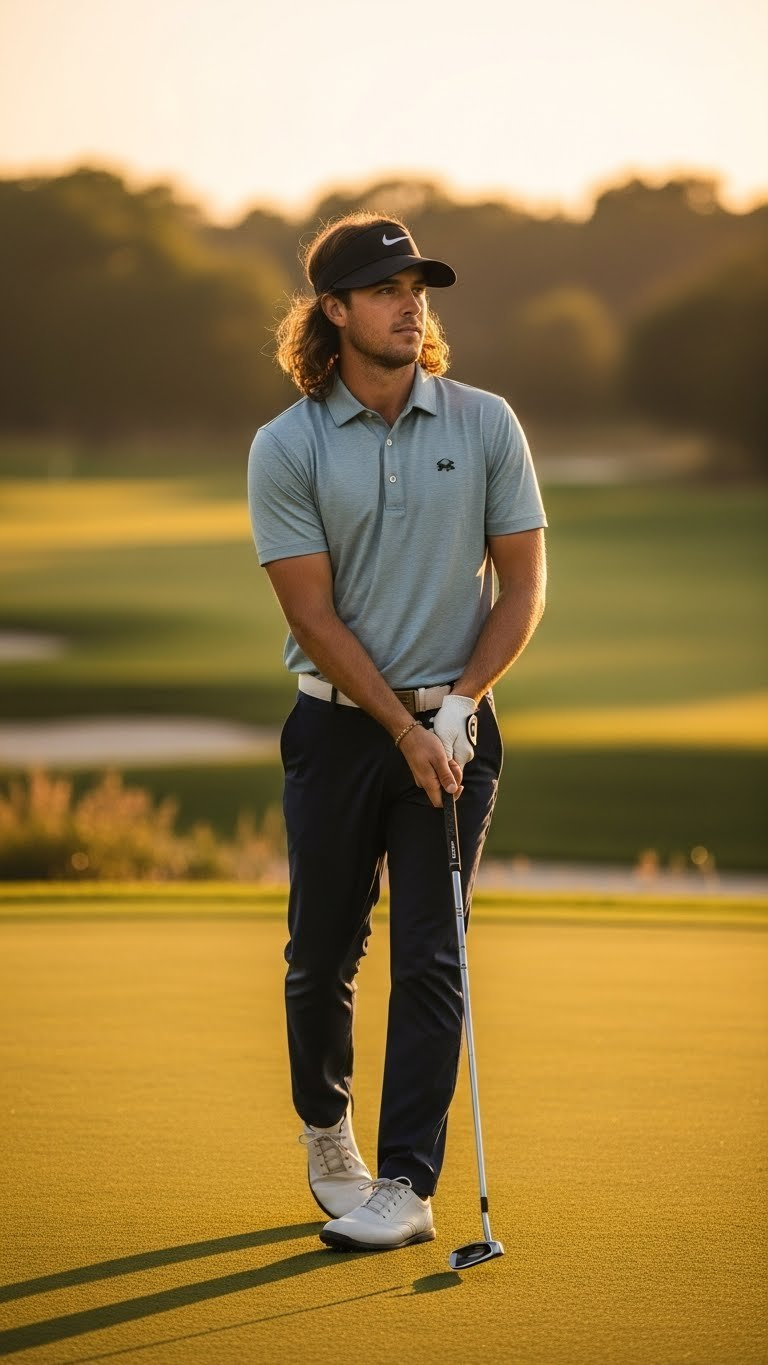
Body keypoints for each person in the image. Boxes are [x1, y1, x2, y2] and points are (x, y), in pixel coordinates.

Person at [248, 211, 547, 1252]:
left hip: (457, 728)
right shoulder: (286, 446)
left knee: (432, 956)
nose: (409, 303)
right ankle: (329, 1130)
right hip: (337, 734)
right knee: (320, 953)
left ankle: (407, 1184)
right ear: (333, 312)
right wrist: (401, 728)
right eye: (384, 289)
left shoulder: (485, 422)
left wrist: (457, 708)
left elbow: (522, 589)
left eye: (417, 286)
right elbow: (311, 617)